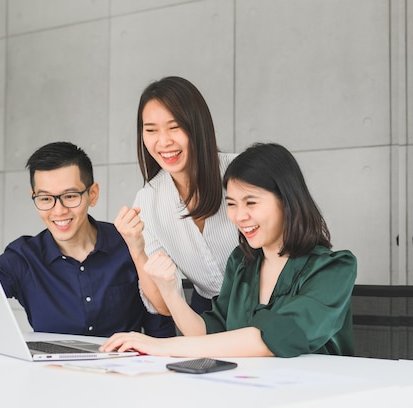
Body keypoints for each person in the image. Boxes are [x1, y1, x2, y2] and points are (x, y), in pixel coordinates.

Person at [100, 143, 357, 357]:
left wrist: (163, 345)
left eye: (251, 202)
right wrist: (170, 292)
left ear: (287, 201)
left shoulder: (333, 269)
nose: (239, 216)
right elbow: (207, 334)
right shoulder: (242, 263)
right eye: (231, 203)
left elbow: (273, 339)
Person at [0, 141, 175, 338]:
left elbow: (161, 328)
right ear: (33, 196)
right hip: (50, 388)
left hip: (123, 386)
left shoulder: (129, 244)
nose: (58, 211)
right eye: (46, 198)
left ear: (93, 194)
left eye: (70, 196)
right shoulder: (23, 258)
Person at [115, 76, 239, 316]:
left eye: (174, 127)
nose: (163, 142)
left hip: (272, 303)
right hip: (210, 315)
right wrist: (136, 249)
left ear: (198, 126)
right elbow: (164, 306)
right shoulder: (147, 201)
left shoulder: (241, 172)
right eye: (151, 130)